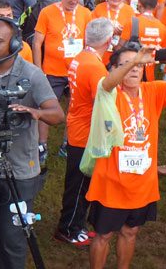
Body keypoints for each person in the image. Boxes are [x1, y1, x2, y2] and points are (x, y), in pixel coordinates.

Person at [0, 18, 65, 268]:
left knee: (13, 239)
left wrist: (36, 112)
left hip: (19, 171)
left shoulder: (32, 75)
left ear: (14, 44)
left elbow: (57, 114)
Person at [86, 45, 166, 269]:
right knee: (104, 235)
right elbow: (107, 83)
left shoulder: (152, 91)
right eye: (126, 65)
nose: (135, 69)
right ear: (114, 69)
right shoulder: (108, 94)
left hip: (142, 183)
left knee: (130, 231)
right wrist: (135, 59)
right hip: (112, 182)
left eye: (139, 65)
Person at [56, 18, 113, 247]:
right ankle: (68, 228)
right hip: (85, 134)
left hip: (76, 128)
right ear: (108, 41)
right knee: (79, 186)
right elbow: (101, 103)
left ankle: (75, 224)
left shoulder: (81, 58)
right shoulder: (95, 67)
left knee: (76, 184)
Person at [32, 0, 91, 147]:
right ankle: (42, 144)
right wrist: (38, 70)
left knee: (75, 108)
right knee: (46, 109)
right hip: (52, 71)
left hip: (76, 71)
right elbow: (37, 42)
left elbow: (88, 43)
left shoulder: (86, 13)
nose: (74, 1)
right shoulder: (47, 12)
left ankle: (68, 142)